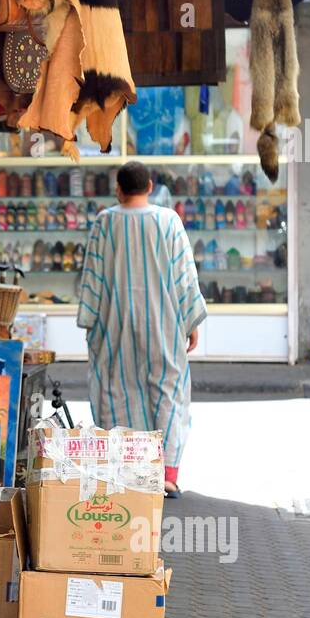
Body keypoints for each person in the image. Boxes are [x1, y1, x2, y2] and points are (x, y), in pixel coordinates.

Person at [76, 160, 207, 496]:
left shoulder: (105, 222)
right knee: (169, 392)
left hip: (114, 325)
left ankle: (124, 469)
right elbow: (185, 276)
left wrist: (89, 321)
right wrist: (191, 321)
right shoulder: (169, 221)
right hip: (163, 324)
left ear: (118, 189)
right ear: (150, 187)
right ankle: (166, 475)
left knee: (115, 390)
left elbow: (93, 276)